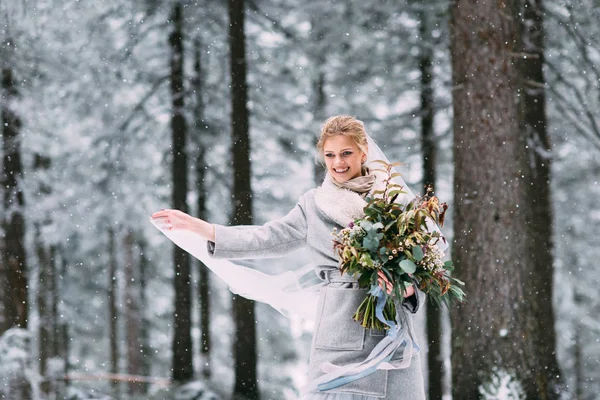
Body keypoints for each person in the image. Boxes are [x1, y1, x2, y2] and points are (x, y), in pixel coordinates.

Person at [151, 116, 435, 399]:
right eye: (330, 155)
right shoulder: (314, 205)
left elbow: (424, 264)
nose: (338, 163)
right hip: (341, 328)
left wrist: (407, 289)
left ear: (363, 152)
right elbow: (268, 237)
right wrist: (202, 228)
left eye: (346, 153)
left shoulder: (397, 202)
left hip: (392, 328)